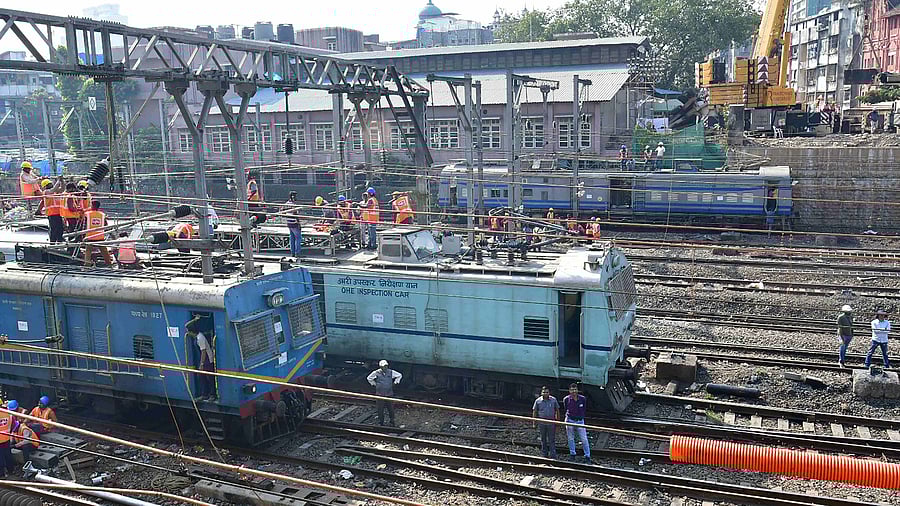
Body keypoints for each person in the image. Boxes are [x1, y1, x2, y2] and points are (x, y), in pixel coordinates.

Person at [187, 315, 217, 402]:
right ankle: (204, 394)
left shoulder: (200, 338)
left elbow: (203, 352)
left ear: (192, 331)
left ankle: (212, 394)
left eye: (189, 332)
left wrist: (201, 364)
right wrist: (195, 319)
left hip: (208, 359)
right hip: (204, 359)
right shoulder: (197, 336)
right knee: (201, 377)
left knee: (209, 377)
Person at [366, 360, 402, 426]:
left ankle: (392, 421)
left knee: (390, 408)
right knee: (380, 409)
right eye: (383, 366)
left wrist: (395, 382)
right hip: (380, 394)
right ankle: (381, 422)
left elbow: (399, 375)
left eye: (386, 366)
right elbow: (369, 378)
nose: (385, 368)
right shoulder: (376, 372)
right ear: (380, 367)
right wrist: (374, 384)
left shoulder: (391, 372)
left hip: (389, 394)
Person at [563, 383, 591, 463]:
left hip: (580, 421)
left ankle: (587, 455)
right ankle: (572, 454)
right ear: (569, 391)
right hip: (569, 420)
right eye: (572, 390)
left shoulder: (583, 399)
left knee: (584, 439)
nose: (574, 391)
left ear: (577, 390)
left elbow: (584, 409)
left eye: (575, 389)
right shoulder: (566, 399)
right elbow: (566, 408)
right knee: (570, 438)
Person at [83, 201, 115, 267]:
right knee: (104, 251)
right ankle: (109, 263)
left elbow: (84, 225)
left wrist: (82, 235)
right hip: (100, 236)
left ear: (92, 206)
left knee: (88, 251)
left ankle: (87, 264)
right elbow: (106, 225)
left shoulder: (87, 214)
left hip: (90, 236)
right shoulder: (102, 215)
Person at [531, 386, 559, 459]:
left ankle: (553, 455)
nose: (545, 393)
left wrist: (558, 421)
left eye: (547, 392)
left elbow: (557, 410)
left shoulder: (553, 400)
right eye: (544, 392)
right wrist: (534, 423)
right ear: (541, 393)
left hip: (551, 423)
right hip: (541, 423)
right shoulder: (538, 401)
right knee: (543, 439)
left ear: (549, 393)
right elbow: (534, 411)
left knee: (551, 439)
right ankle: (544, 454)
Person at [41, 178, 65, 243]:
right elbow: (53, 189)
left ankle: (60, 241)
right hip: (51, 214)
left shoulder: (55, 191)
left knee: (60, 228)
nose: (51, 185)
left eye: (50, 183)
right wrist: (58, 180)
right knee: (54, 229)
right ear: (45, 186)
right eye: (49, 184)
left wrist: (62, 181)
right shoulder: (46, 192)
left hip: (58, 213)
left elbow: (62, 189)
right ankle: (52, 242)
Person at [285, 191, 302, 257]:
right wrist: (299, 223)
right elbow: (295, 215)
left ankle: (292, 252)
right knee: (298, 238)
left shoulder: (286, 203)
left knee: (292, 238)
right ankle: (297, 253)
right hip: (294, 223)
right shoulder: (293, 205)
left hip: (289, 223)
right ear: (293, 196)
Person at [0, 403, 13, 477]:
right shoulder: (8, 413)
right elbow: (13, 425)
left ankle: (1, 474)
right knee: (8, 455)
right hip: (7, 438)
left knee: (0, 457)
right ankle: (11, 470)